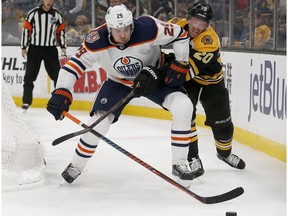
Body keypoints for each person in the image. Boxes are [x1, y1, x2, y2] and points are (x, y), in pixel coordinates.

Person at [47, 4, 195, 187]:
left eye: (126, 29)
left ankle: (179, 163)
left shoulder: (148, 27)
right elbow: (74, 65)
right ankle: (76, 165)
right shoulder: (96, 40)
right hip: (119, 82)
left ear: (132, 24)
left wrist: (181, 61)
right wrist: (62, 90)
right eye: (118, 30)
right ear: (109, 28)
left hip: (153, 75)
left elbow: (180, 33)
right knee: (99, 123)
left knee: (184, 106)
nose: (123, 34)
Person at [168, 2, 246, 179]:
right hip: (191, 82)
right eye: (194, 21)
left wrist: (164, 73)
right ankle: (192, 157)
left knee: (223, 125)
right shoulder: (177, 25)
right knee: (186, 116)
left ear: (208, 25)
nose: (197, 26)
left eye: (202, 23)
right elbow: (156, 33)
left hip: (211, 82)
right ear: (188, 18)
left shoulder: (209, 41)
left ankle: (224, 154)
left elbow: (187, 73)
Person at [20, 0, 67, 112]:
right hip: (34, 49)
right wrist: (23, 47)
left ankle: (58, 102)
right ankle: (26, 102)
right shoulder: (33, 13)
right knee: (29, 77)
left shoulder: (57, 15)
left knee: (58, 77)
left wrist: (63, 46)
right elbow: (26, 30)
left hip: (50, 50)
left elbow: (61, 32)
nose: (49, 1)